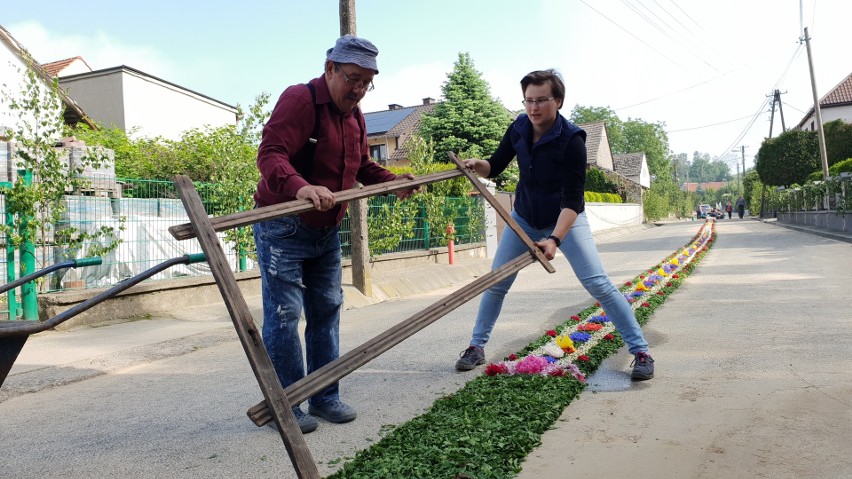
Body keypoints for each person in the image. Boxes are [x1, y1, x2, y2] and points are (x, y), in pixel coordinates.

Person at [253, 35, 418, 434]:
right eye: (353, 79)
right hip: (283, 224)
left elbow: (361, 166)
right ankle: (288, 405)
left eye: (367, 82)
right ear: (330, 69)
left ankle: (324, 396)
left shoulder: (355, 115)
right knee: (284, 315)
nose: (359, 89)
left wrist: (392, 181)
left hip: (326, 229)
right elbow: (270, 154)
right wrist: (301, 187)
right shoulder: (300, 100)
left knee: (326, 311)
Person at [455, 69, 654, 381]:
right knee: (496, 283)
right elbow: (496, 165)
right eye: (528, 101)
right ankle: (476, 347)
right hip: (522, 219)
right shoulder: (519, 127)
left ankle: (641, 351)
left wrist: (555, 240)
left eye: (541, 101)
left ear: (558, 101)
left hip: (565, 219)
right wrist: (477, 165)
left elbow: (574, 200)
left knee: (598, 283)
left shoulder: (572, 140)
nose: (533, 108)